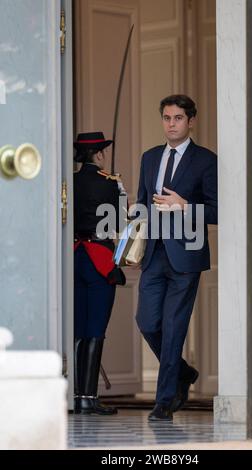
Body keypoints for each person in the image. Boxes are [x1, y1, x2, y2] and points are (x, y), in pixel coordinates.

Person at [130, 95, 218, 421]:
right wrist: (135, 245)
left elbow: (217, 209)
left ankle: (164, 401)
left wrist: (184, 205)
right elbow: (142, 204)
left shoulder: (206, 160)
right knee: (147, 322)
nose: (171, 124)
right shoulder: (150, 158)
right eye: (167, 117)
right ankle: (182, 373)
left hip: (186, 257)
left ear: (190, 121)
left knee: (173, 326)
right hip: (154, 254)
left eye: (178, 118)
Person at [73, 131, 126, 415]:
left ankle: (76, 395)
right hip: (99, 259)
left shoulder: (70, 180)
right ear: (99, 154)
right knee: (95, 328)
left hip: (75, 257)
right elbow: (119, 222)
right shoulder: (110, 182)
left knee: (79, 327)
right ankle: (89, 397)